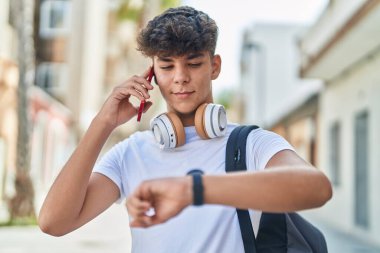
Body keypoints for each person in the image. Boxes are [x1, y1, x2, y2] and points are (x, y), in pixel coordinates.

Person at [38, 6, 332, 253]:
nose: (180, 78)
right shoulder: (131, 152)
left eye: (193, 63)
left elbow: (317, 188)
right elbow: (53, 222)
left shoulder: (251, 143)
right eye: (166, 67)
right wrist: (103, 123)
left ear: (214, 66)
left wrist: (193, 189)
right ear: (151, 73)